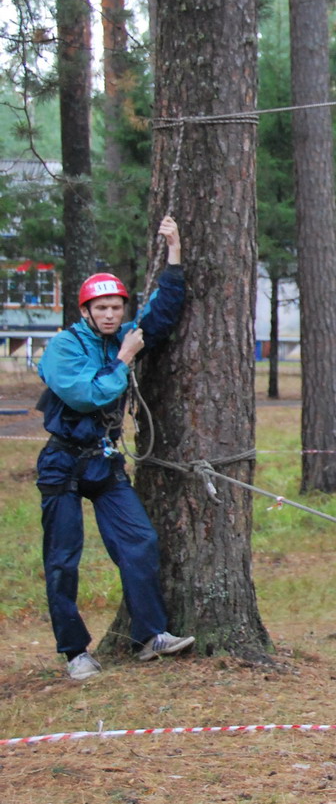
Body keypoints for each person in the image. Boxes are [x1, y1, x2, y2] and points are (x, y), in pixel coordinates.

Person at [35, 215, 195, 680]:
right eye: (101, 308)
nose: (110, 315)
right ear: (86, 311)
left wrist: (175, 253)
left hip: (104, 463)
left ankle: (151, 635)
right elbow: (88, 394)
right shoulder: (64, 348)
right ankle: (74, 653)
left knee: (139, 542)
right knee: (64, 560)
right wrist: (125, 360)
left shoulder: (120, 340)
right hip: (62, 463)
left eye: (116, 308)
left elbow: (161, 316)